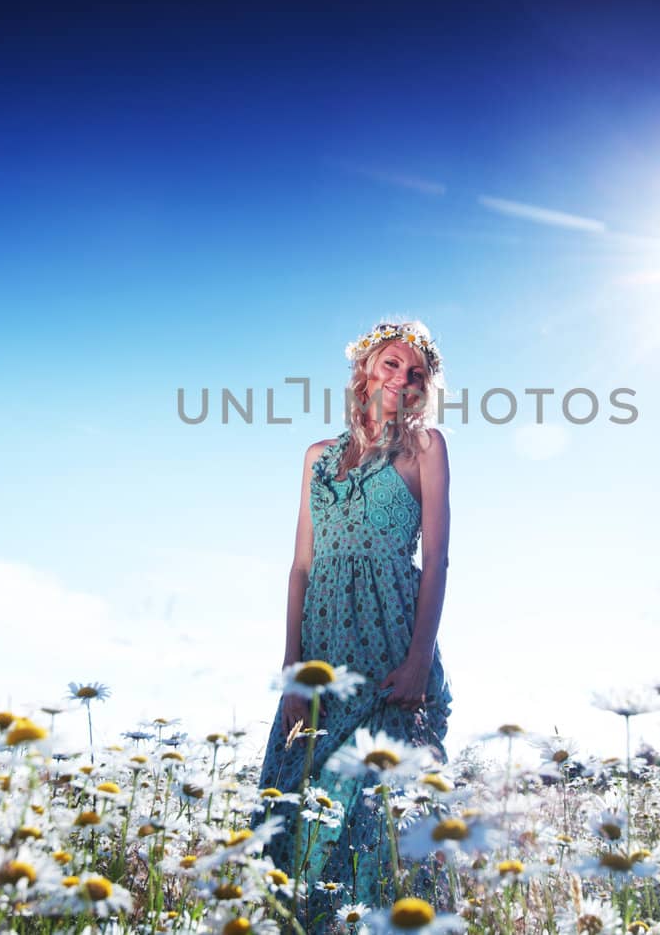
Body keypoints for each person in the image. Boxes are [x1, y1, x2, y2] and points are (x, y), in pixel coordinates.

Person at [252, 319, 454, 913]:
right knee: (295, 815)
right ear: (366, 370)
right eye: (392, 363)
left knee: (379, 817)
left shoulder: (427, 447)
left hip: (390, 645)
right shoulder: (317, 457)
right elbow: (299, 569)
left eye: (416, 373)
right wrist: (294, 674)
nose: (402, 378)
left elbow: (438, 560)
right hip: (322, 650)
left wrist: (418, 662)